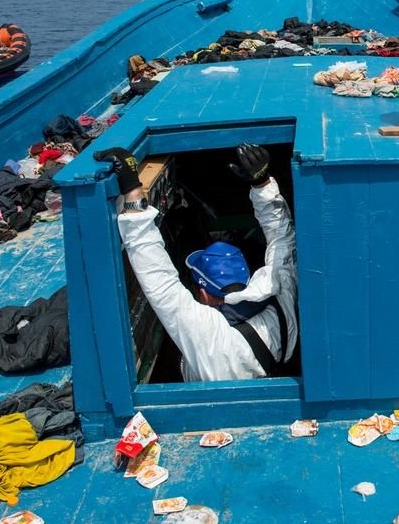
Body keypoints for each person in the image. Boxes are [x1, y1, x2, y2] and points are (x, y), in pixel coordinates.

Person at [95, 143, 298, 381]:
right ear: (247, 277)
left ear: (203, 295)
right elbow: (282, 240)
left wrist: (130, 191)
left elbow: (158, 278)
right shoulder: (281, 293)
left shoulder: (205, 332)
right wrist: (262, 182)